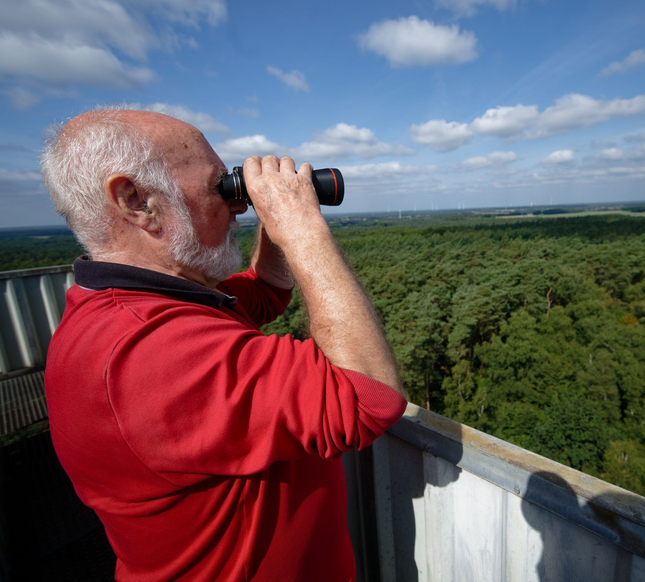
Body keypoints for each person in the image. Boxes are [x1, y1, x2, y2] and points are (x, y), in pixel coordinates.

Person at [40, 109, 407, 581]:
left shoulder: (154, 304)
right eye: (221, 186)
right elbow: (367, 395)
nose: (238, 205)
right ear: (136, 201)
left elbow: (268, 289)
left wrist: (272, 217)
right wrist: (299, 224)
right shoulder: (143, 351)